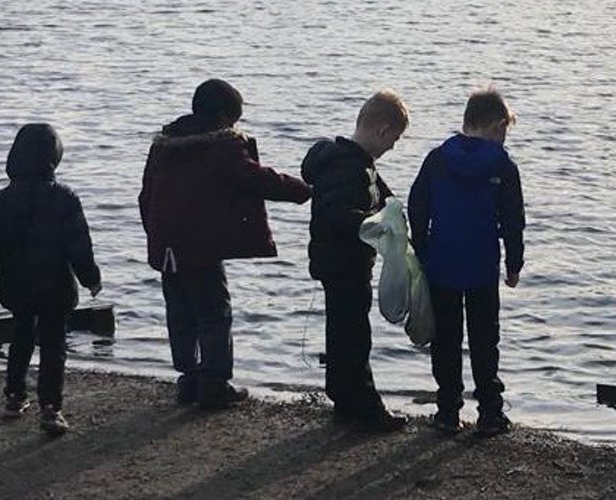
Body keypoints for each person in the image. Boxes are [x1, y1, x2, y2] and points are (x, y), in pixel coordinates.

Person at [140, 79, 312, 409]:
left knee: (180, 313)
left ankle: (188, 380)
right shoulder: (220, 147)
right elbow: (257, 179)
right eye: (234, 120)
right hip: (200, 246)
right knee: (214, 313)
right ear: (222, 117)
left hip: (166, 246)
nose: (236, 127)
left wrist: (155, 235)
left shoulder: (164, 145)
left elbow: (146, 194)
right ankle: (215, 384)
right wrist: (304, 189)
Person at [0, 123, 102, 436]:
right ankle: (51, 408)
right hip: (56, 285)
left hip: (16, 285)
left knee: (21, 336)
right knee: (54, 344)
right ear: (54, 159)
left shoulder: (1, 200)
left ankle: (15, 397)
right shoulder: (64, 198)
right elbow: (78, 245)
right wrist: (91, 279)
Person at [409, 88, 525, 437]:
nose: (504, 138)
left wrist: (423, 248)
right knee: (484, 339)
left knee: (445, 338)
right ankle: (490, 411)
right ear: (495, 125)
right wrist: (514, 264)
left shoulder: (437, 158)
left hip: (441, 264)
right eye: (504, 130)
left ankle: (447, 410)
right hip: (481, 266)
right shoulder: (502, 165)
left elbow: (418, 206)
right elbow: (512, 219)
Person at [301, 90, 412, 432]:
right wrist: (371, 224)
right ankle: (363, 404)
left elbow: (386, 197)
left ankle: (342, 393)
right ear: (381, 131)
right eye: (394, 138)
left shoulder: (354, 164)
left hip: (337, 261)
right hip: (344, 262)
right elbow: (338, 214)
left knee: (342, 329)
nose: (393, 146)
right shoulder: (349, 167)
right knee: (353, 333)